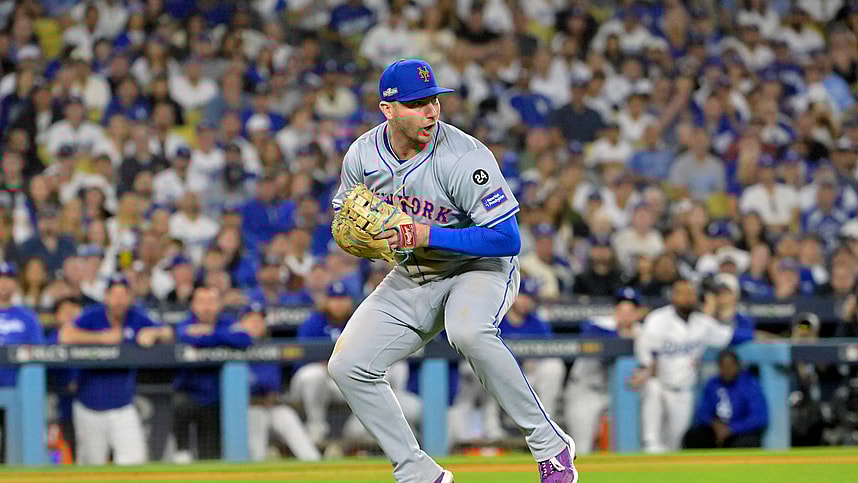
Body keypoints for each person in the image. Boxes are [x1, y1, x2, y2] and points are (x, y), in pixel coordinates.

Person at [328, 59, 576, 483]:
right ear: (388, 110)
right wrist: (361, 241)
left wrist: (425, 234)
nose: (431, 111)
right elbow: (345, 221)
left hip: (479, 267)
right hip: (414, 274)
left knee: (469, 331)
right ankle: (418, 472)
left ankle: (551, 447)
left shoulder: (465, 156)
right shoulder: (362, 155)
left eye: (434, 101)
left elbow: (506, 239)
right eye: (417, 103)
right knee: (347, 364)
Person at [630, 278, 755, 453]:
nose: (687, 297)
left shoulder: (703, 323)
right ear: (673, 296)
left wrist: (764, 334)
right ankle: (649, 442)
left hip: (683, 391)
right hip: (660, 384)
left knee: (675, 444)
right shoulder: (658, 319)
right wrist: (647, 364)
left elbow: (734, 336)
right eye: (682, 293)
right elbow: (644, 346)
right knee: (652, 393)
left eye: (690, 293)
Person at [59, 274, 173, 465]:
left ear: (130, 298)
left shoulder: (136, 317)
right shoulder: (93, 315)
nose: (119, 300)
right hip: (89, 406)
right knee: (91, 467)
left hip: (123, 406)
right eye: (115, 295)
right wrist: (103, 338)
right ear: (106, 297)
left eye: (124, 295)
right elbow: (65, 335)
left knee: (135, 461)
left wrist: (154, 332)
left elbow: (168, 332)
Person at [449, 278, 565, 443]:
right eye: (524, 296)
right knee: (487, 370)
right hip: (493, 375)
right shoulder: (496, 317)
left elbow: (549, 350)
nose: (527, 301)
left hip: (527, 374)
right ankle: (489, 429)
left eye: (531, 297)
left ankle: (546, 425)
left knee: (553, 366)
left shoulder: (537, 322)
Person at [172, 286, 256, 463]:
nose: (206, 307)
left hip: (215, 400)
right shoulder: (186, 323)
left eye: (211, 302)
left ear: (219, 305)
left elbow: (244, 338)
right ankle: (182, 452)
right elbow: (187, 336)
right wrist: (220, 338)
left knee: (210, 457)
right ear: (193, 305)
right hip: (188, 392)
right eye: (201, 302)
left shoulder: (226, 322)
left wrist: (210, 332)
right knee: (180, 405)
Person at [565, 287, 643, 454]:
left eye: (631, 310)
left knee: (626, 445)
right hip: (585, 391)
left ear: (638, 313)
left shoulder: (641, 331)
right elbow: (591, 336)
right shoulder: (598, 324)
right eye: (622, 309)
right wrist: (623, 335)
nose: (626, 314)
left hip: (615, 393)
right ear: (615, 310)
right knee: (582, 447)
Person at [243, 302, 321, 462]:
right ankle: (257, 468)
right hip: (247, 410)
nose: (256, 323)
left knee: (287, 415)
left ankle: (314, 463)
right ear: (241, 323)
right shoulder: (230, 347)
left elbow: (271, 385)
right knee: (256, 417)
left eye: (260, 319)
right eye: (251, 319)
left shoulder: (270, 347)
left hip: (271, 407)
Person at [683, 350, 769, 448]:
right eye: (723, 366)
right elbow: (702, 412)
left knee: (748, 441)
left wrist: (732, 428)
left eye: (730, 366)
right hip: (716, 429)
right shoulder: (713, 384)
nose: (727, 369)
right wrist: (714, 424)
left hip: (740, 431)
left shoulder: (749, 384)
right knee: (694, 435)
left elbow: (759, 417)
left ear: (738, 366)